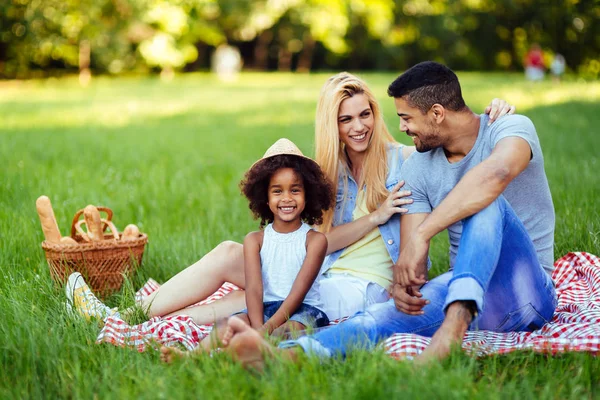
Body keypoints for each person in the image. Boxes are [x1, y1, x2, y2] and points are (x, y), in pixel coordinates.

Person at [65, 73, 516, 333]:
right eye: (345, 119)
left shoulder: (405, 162)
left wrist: (491, 114)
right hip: (322, 266)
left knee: (251, 296)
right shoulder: (327, 175)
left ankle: (138, 323)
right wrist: (375, 217)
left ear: (376, 115)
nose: (357, 127)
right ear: (331, 125)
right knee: (233, 260)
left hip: (366, 286)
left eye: (365, 114)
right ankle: (129, 318)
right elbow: (321, 240)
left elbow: (457, 150)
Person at [221, 61, 557, 368]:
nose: (401, 127)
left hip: (528, 291)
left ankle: (451, 330)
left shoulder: (509, 127)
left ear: (437, 113)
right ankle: (287, 357)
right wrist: (403, 285)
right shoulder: (420, 168)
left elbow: (495, 175)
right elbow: (413, 260)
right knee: (377, 317)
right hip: (466, 293)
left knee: (488, 201)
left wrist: (426, 233)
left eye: (407, 118)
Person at [156, 138, 334, 362]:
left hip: (304, 310)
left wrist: (267, 328)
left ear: (308, 195)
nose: (287, 198)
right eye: (277, 191)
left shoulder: (315, 241)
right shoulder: (255, 240)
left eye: (295, 190)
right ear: (265, 198)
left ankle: (251, 352)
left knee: (288, 329)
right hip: (264, 308)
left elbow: (298, 292)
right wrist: (257, 325)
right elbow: (254, 289)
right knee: (228, 324)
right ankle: (193, 357)